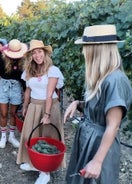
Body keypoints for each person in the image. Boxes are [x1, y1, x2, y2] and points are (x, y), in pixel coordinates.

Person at [64, 24, 132, 184]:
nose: (83, 52)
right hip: (89, 140)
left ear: (97, 50)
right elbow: (98, 107)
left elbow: (113, 125)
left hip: (100, 145)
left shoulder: (116, 80)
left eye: (85, 47)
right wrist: (78, 103)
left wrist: (98, 161)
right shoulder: (101, 77)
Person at [16, 40, 64, 184]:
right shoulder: (29, 71)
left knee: (47, 138)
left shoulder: (53, 70)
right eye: (34, 53)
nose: (37, 55)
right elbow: (28, 90)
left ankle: (45, 172)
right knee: (32, 136)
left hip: (49, 107)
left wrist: (47, 114)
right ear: (30, 56)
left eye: (40, 52)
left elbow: (49, 94)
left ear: (45, 53)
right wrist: (25, 106)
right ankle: (33, 163)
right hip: (34, 106)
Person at [0, 39, 28, 149]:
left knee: (13, 113)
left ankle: (12, 136)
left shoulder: (22, 62)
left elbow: (23, 79)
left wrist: (25, 93)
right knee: (4, 113)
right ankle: (4, 136)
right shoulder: (3, 59)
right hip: (4, 86)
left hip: (16, 87)